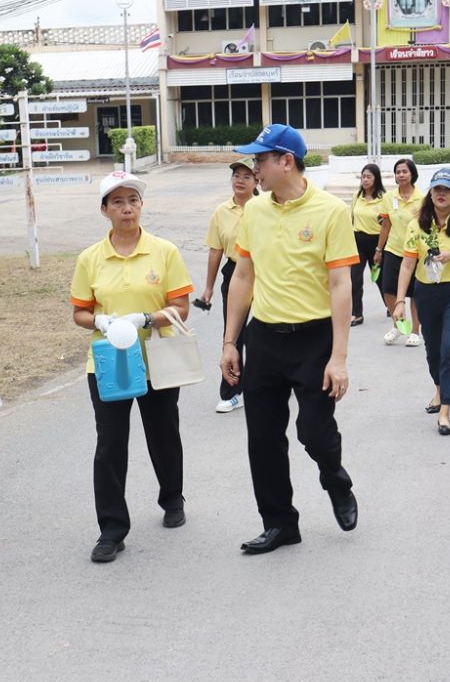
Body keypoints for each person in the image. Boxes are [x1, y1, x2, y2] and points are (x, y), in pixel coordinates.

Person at [220, 123, 359, 555]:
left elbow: (340, 284)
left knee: (314, 432)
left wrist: (339, 357)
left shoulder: (331, 211)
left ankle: (335, 480)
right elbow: (243, 276)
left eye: (260, 160)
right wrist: (230, 342)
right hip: (264, 337)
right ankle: (280, 523)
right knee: (262, 438)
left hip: (314, 340)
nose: (254, 169)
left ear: (286, 161)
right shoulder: (254, 212)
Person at [70, 171, 194, 564]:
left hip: (156, 355)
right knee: (109, 444)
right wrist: (100, 321)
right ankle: (111, 529)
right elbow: (79, 312)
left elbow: (181, 307)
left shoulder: (164, 252)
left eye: (133, 200)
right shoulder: (90, 258)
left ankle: (172, 498)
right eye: (118, 202)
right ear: (104, 210)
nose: (127, 208)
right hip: (109, 361)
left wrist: (148, 318)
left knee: (163, 433)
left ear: (141, 206)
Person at [393, 168, 450, 435]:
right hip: (426, 292)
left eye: (447, 189)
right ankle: (439, 388)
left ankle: (446, 409)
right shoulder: (417, 224)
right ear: (431, 193)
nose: (441, 194)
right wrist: (400, 301)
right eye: (437, 189)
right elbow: (407, 264)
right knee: (433, 349)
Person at [200, 157, 258, 412]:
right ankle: (232, 391)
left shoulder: (264, 208)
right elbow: (215, 250)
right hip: (235, 272)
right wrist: (209, 287)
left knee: (271, 328)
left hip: (266, 272)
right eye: (236, 176)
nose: (240, 181)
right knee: (233, 334)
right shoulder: (221, 212)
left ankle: (280, 379)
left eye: (247, 176)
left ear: (256, 181)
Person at [377, 158, 424, 346]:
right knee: (388, 289)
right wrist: (379, 249)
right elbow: (385, 226)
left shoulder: (422, 198)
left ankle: (415, 332)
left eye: (405, 171)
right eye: (398, 172)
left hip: (415, 252)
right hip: (393, 249)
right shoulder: (389, 197)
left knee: (415, 293)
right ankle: (398, 326)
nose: (401, 175)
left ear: (412, 174)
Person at [349, 163, 386, 326]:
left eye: (369, 177)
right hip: (358, 241)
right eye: (363, 176)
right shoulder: (357, 196)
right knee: (354, 279)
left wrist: (380, 249)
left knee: (380, 278)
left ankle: (390, 304)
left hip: (377, 242)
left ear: (376, 179)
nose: (365, 180)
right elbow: (350, 218)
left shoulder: (384, 198)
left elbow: (387, 224)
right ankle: (357, 314)